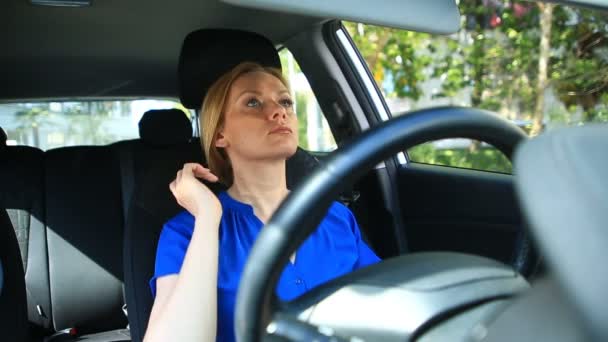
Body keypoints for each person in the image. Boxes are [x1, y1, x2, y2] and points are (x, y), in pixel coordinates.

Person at [144, 62, 380, 342]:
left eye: (285, 101)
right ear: (220, 134)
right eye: (253, 102)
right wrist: (207, 217)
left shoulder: (334, 216)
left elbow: (386, 305)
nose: (279, 111)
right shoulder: (186, 232)